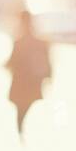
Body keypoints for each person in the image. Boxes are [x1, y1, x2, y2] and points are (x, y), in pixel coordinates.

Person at [7, 8, 51, 138]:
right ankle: (21, 133)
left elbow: (11, 62)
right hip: (31, 83)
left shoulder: (20, 42)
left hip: (23, 83)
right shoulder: (39, 42)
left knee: (21, 111)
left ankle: (21, 132)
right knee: (23, 110)